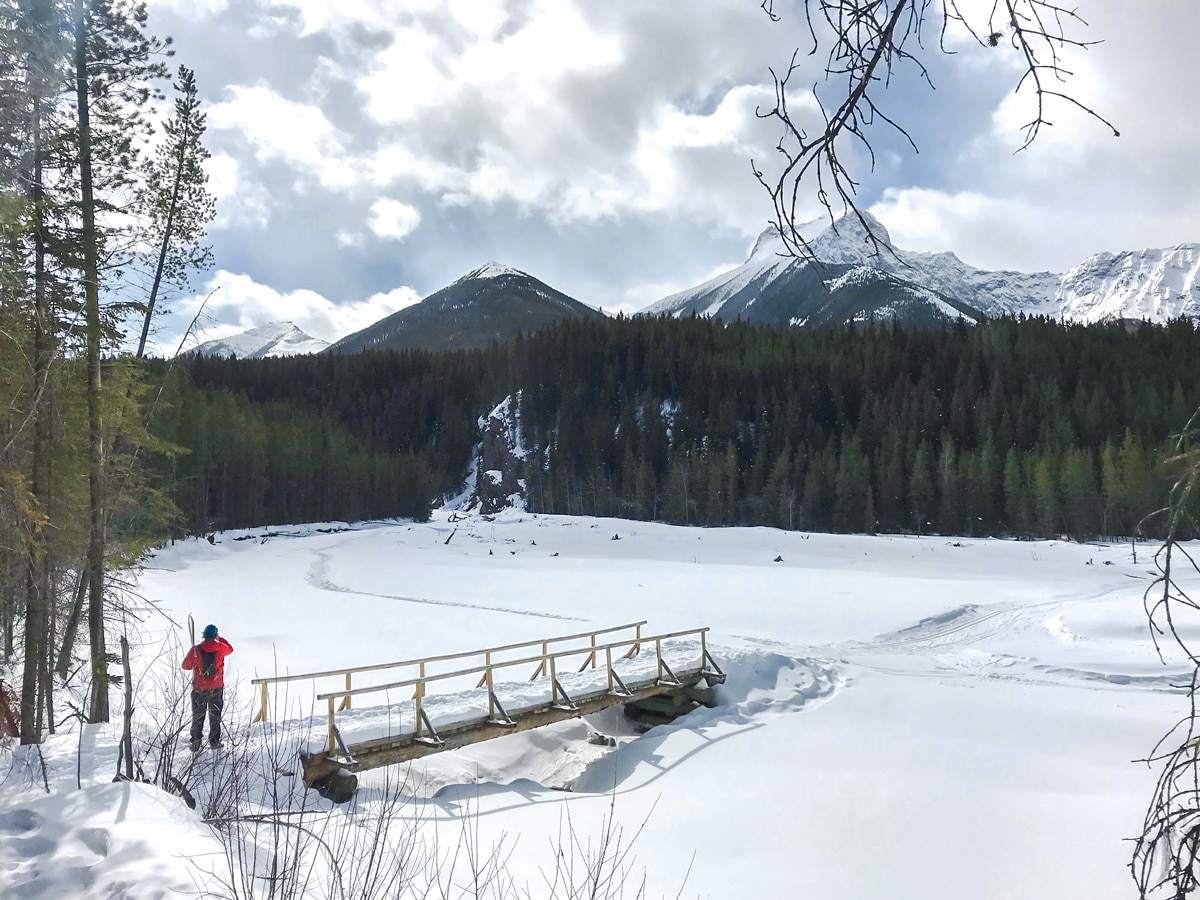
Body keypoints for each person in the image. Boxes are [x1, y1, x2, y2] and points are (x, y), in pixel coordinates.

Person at [182, 623, 234, 752]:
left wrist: (195, 661)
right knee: (215, 716)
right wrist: (220, 638)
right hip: (216, 688)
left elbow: (185, 666)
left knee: (198, 716)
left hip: (199, 689)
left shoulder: (195, 650)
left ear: (204, 635)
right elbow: (231, 649)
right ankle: (214, 742)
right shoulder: (221, 647)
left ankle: (195, 743)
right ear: (215, 635)